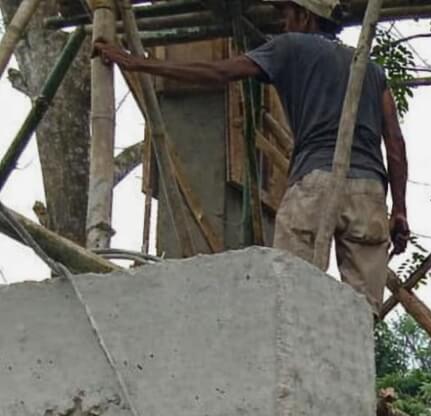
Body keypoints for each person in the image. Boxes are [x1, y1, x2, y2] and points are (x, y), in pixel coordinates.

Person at [94, 0, 409, 316]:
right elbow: (394, 145)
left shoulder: (290, 47)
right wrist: (399, 209)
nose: (284, 25)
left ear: (306, 16)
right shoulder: (370, 69)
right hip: (369, 193)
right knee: (363, 314)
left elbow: (218, 71)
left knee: (293, 296)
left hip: (316, 184)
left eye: (287, 16)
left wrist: (136, 63)